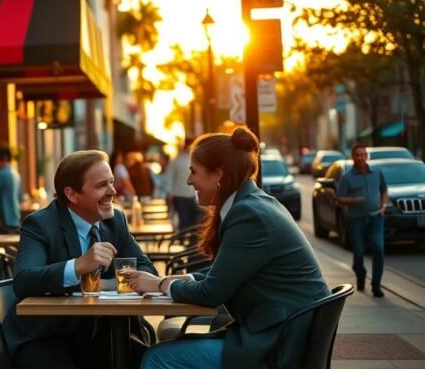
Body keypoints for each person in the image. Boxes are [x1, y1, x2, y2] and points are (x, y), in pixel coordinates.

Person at [126, 127, 330, 369]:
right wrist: (174, 279)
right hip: (280, 333)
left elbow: (212, 292)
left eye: (194, 172)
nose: (189, 180)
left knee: (158, 357)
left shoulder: (248, 214)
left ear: (218, 175)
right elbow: (224, 273)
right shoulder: (256, 204)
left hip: (279, 344)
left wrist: (160, 285)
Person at [5, 150, 156, 369]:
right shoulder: (40, 224)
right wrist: (78, 266)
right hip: (47, 336)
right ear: (72, 194)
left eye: (112, 182)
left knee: (154, 361)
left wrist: (102, 284)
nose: (112, 191)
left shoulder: (115, 220)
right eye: (101, 185)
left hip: (104, 332)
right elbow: (24, 280)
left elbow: (146, 270)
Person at [336, 143, 387, 297]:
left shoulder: (377, 172)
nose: (360, 158)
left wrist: (383, 206)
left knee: (378, 248)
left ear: (366, 156)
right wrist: (353, 201)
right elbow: (339, 198)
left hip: (376, 217)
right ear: (352, 157)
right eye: (357, 155)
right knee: (359, 252)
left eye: (362, 154)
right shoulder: (346, 177)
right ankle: (360, 273)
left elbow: (384, 190)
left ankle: (376, 285)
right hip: (356, 219)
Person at [165, 139, 200, 230]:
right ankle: (189, 241)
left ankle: (183, 240)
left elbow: (169, 178)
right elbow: (170, 178)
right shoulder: (194, 160)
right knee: (192, 221)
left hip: (180, 195)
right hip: (190, 195)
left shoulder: (175, 161)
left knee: (184, 220)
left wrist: (169, 194)